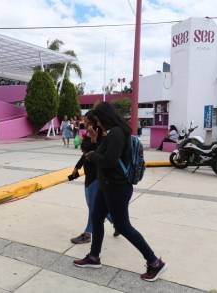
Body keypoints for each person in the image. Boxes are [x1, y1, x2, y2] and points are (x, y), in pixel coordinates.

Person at [73, 102, 166, 282]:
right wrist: (94, 145)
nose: (97, 124)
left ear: (105, 117)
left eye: (98, 120)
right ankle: (94, 257)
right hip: (107, 185)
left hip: (117, 187)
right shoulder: (114, 132)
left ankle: (155, 262)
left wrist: (92, 156)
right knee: (96, 218)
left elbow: (109, 160)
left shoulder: (117, 133)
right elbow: (104, 152)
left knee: (123, 226)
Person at [69, 111, 118, 245]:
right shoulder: (88, 133)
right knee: (94, 206)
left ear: (93, 121)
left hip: (97, 176)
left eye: (86, 121)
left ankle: (87, 234)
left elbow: (101, 155)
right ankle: (118, 223)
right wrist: (77, 167)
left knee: (93, 208)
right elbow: (86, 154)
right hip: (89, 174)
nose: (84, 122)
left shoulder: (102, 135)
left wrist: (95, 139)